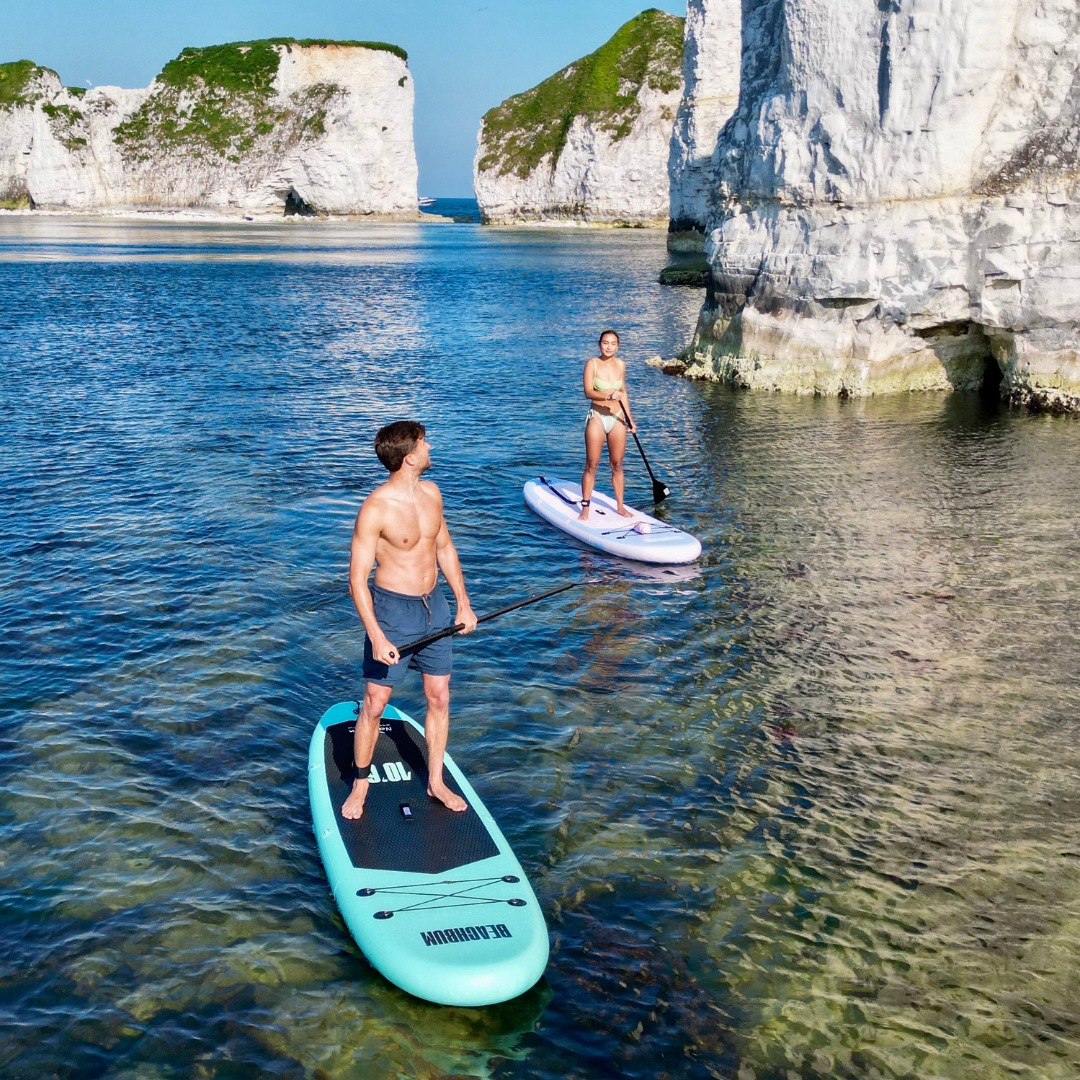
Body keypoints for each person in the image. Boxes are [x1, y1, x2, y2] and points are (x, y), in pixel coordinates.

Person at [341, 420, 478, 820]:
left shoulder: (432, 494)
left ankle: (435, 781)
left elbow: (446, 548)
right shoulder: (376, 508)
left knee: (440, 696)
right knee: (375, 702)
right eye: (424, 442)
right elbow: (356, 578)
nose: (430, 446)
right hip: (392, 611)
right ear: (410, 456)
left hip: (434, 607)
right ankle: (360, 785)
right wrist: (376, 634)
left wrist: (464, 604)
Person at [578, 329, 637, 522]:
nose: (609, 347)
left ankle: (620, 506)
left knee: (617, 464)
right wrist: (607, 395)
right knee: (592, 464)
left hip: (617, 418)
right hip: (597, 417)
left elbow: (623, 393)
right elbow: (588, 392)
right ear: (599, 344)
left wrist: (630, 419)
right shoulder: (592, 364)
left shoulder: (621, 365)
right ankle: (585, 508)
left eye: (613, 343)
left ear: (618, 346)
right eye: (605, 343)